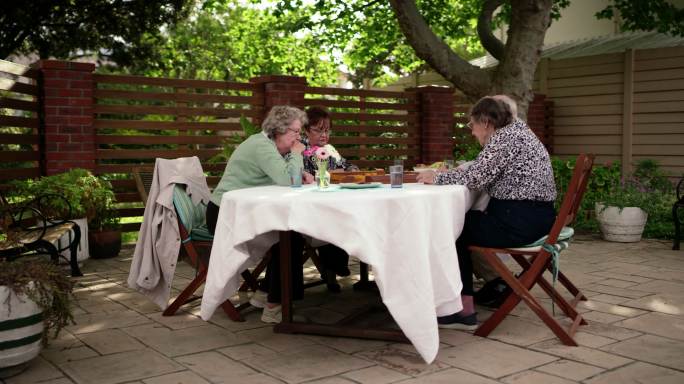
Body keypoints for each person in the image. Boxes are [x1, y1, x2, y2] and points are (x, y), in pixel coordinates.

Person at [417, 96, 557, 329]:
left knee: (451, 226)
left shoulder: (504, 138)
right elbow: (483, 170)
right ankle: (484, 289)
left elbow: (476, 177)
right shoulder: (518, 132)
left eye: (472, 125)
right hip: (535, 218)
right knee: (461, 222)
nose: (472, 132)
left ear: (486, 121)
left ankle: (461, 310)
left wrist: (436, 176)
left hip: (519, 222)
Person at [206, 105, 313, 324]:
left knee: (290, 233)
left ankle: (265, 294)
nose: (298, 137)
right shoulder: (261, 146)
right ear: (278, 130)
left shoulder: (269, 146)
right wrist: (296, 156)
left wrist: (300, 172)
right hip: (225, 216)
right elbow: (286, 181)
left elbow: (282, 176)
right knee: (290, 236)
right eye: (295, 131)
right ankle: (274, 307)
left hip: (242, 212)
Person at [301, 106, 356, 292]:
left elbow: (348, 166)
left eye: (327, 130)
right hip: (310, 208)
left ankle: (334, 267)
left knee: (349, 216)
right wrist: (331, 174)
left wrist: (351, 171)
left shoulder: (329, 149)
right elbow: (305, 176)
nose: (324, 134)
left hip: (332, 202)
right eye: (318, 129)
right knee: (336, 219)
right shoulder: (302, 150)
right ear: (306, 130)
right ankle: (333, 268)